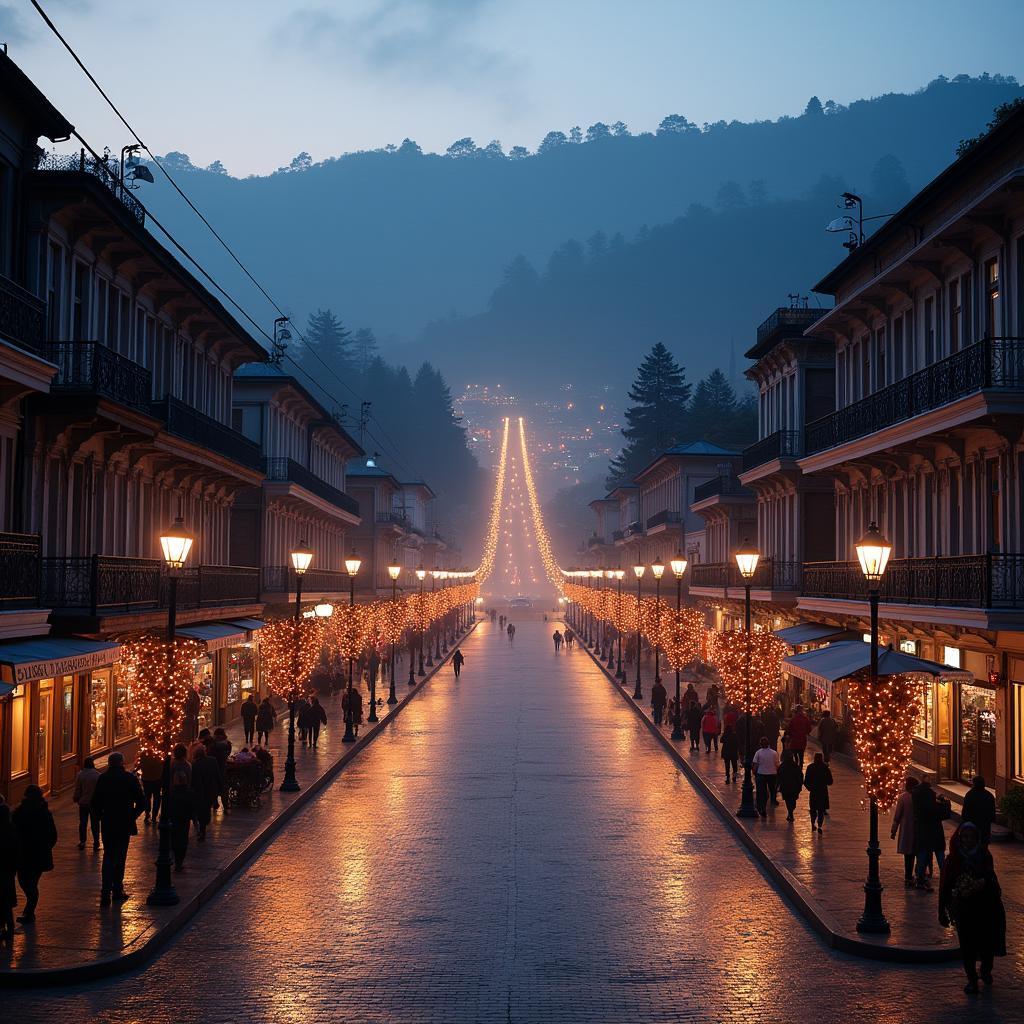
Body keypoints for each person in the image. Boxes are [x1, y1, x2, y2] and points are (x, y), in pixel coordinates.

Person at [939, 823, 1007, 993]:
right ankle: (971, 978)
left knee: (987, 943)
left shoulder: (984, 855)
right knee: (967, 945)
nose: (967, 840)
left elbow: (991, 876)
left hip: (985, 907)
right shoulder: (953, 859)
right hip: (964, 909)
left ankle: (985, 970)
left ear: (976, 838)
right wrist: (942, 909)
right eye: (964, 837)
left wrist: (982, 883)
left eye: (970, 837)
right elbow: (945, 885)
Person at [91, 753, 144, 906]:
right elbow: (142, 802)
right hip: (124, 824)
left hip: (108, 823)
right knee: (120, 857)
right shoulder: (129, 779)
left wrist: (101, 816)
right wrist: (131, 816)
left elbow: (95, 804)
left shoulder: (103, 778)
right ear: (122, 763)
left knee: (108, 855)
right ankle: (117, 890)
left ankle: (105, 891)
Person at [11, 785, 57, 923]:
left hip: (23, 855)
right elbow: (53, 836)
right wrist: (45, 847)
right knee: (32, 883)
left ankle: (29, 912)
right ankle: (29, 911)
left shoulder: (19, 813)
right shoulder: (45, 813)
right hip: (39, 855)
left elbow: (14, 834)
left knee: (25, 882)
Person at [912, 779, 947, 891]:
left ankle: (920, 878)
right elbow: (944, 814)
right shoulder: (932, 801)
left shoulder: (916, 797)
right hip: (936, 833)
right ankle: (945, 877)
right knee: (940, 856)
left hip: (922, 832)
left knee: (922, 855)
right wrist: (944, 802)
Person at [168, 748, 196, 871]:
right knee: (183, 837)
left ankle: (176, 856)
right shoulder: (187, 766)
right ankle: (179, 860)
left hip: (174, 812)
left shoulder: (172, 765)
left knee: (174, 835)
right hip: (184, 815)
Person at [891, 777, 919, 886]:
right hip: (918, 829)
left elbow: (897, 816)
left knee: (908, 855)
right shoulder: (918, 797)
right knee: (918, 853)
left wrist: (893, 831)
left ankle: (908, 877)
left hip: (907, 830)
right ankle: (919, 875)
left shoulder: (903, 797)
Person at [190, 743, 221, 840]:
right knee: (206, 809)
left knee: (201, 810)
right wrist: (220, 788)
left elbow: (193, 780)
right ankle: (203, 827)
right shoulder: (213, 761)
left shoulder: (195, 764)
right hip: (211, 791)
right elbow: (217, 775)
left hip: (200, 791)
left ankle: (201, 829)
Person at [73, 756, 101, 850]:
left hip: (83, 802)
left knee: (83, 823)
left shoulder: (80, 774)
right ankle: (96, 842)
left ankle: (82, 841)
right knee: (95, 823)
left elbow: (78, 788)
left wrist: (76, 797)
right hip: (95, 803)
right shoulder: (97, 775)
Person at [961, 776, 997, 846]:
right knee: (984, 844)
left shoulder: (970, 795)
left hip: (972, 824)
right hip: (985, 825)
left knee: (973, 844)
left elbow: (965, 810)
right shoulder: (989, 795)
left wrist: (964, 821)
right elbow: (992, 811)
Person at [803, 752, 833, 832]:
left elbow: (806, 781)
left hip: (814, 792)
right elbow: (830, 781)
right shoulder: (825, 768)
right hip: (823, 791)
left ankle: (812, 823)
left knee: (813, 809)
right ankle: (819, 826)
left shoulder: (810, 767)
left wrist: (810, 788)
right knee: (821, 810)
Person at [0, 805, 17, 943]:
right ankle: (9, 927)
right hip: (8, 871)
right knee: (7, 901)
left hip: (5, 870)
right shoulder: (12, 829)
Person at [752, 737, 780, 818]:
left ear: (760, 744)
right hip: (772, 774)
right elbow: (777, 764)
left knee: (762, 792)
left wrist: (754, 772)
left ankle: (763, 808)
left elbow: (755, 764)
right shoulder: (774, 753)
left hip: (761, 774)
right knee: (772, 789)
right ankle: (773, 800)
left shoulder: (758, 753)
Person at [139, 748, 163, 825]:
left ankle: (147, 814)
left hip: (146, 780)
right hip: (156, 780)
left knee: (147, 797)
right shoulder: (158, 758)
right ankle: (154, 816)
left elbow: (139, 766)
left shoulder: (143, 758)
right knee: (156, 798)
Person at [777, 750, 804, 822]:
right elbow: (800, 776)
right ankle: (790, 812)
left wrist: (777, 785)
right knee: (792, 800)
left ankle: (790, 812)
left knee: (787, 800)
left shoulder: (782, 766)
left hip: (785, 787)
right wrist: (800, 784)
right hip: (794, 787)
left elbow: (778, 776)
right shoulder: (795, 766)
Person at [211, 727, 232, 813]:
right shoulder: (227, 744)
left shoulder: (213, 745)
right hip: (223, 768)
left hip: (214, 769)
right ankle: (226, 807)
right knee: (224, 789)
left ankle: (215, 804)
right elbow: (228, 754)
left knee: (214, 787)